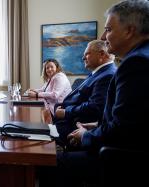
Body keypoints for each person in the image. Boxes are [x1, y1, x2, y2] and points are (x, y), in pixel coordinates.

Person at [57, 1, 149, 186]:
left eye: (108, 29)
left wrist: (85, 135)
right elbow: (134, 120)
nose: (103, 36)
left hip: (121, 161)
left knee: (51, 162)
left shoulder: (136, 63)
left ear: (129, 31)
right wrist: (97, 125)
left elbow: (121, 131)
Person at [54, 40, 117, 144]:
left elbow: (95, 107)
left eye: (87, 54)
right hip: (68, 119)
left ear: (101, 54)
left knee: (41, 137)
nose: (83, 58)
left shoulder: (107, 75)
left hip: (77, 124)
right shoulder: (98, 72)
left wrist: (66, 112)